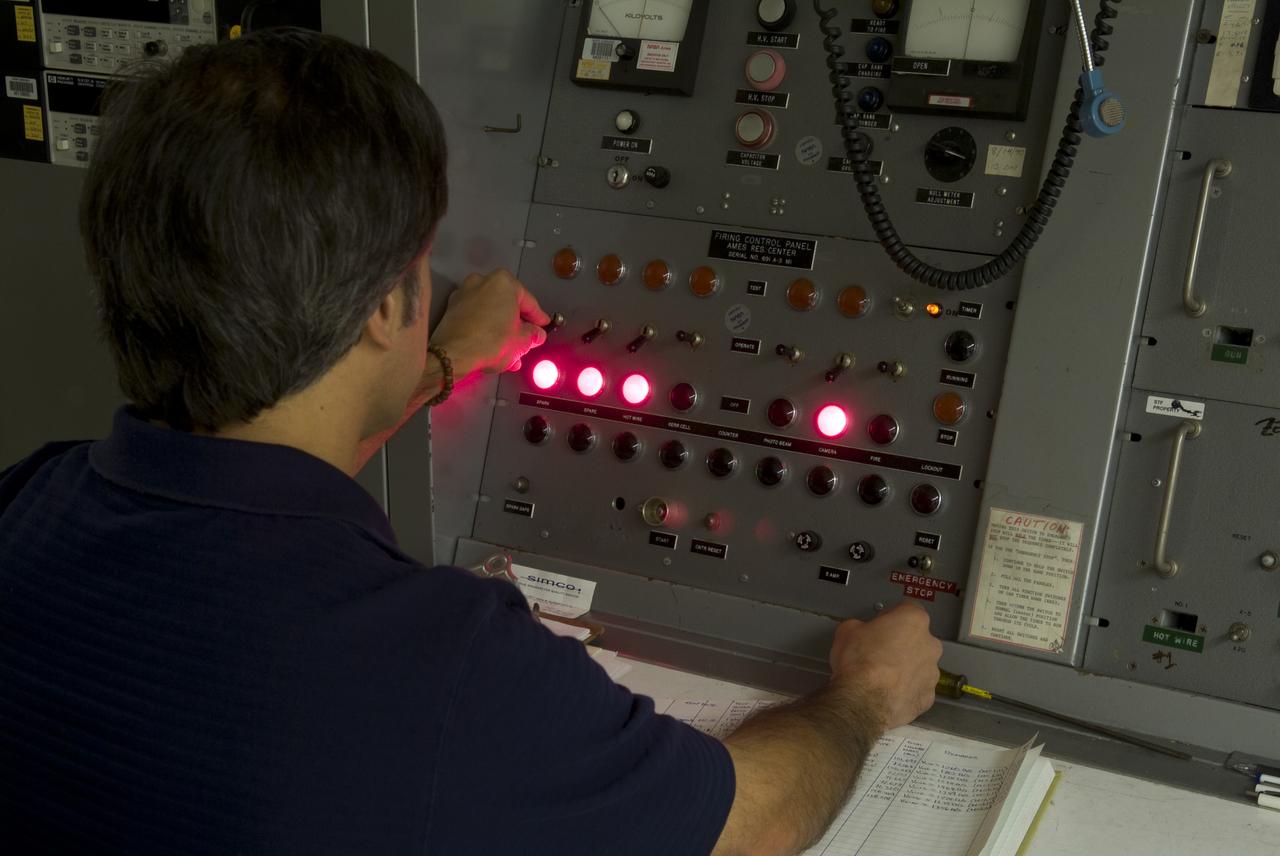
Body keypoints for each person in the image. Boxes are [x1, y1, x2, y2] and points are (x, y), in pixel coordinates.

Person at [0, 29, 942, 856]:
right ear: (382, 308)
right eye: (418, 266)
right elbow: (753, 824)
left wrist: (446, 360)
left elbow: (258, 467)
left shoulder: (25, 507)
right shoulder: (444, 663)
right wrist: (868, 697)